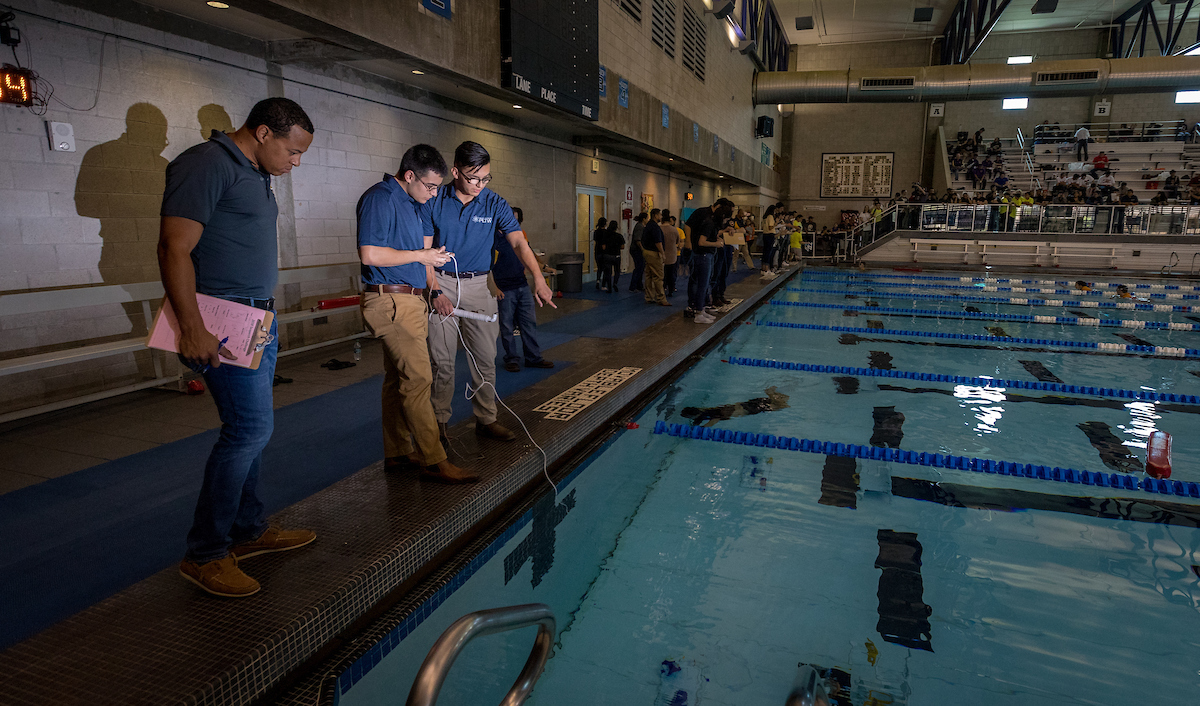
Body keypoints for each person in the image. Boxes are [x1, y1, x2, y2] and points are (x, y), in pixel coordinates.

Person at [159, 97, 316, 598]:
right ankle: (204, 553)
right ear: (264, 133)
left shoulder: (254, 172)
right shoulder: (205, 164)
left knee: (255, 430)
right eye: (292, 152)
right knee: (248, 428)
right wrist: (192, 325)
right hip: (220, 316)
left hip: (256, 316)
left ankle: (248, 532)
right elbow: (173, 248)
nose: (296, 163)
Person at [357, 143, 477, 486]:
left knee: (398, 381)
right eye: (430, 186)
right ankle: (434, 459)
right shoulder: (380, 198)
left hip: (408, 299)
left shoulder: (412, 203)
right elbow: (370, 254)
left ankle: (397, 452)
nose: (434, 192)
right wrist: (420, 256)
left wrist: (430, 262)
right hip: (392, 302)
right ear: (409, 175)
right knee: (420, 379)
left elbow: (410, 251)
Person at [422, 141, 555, 445]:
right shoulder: (434, 200)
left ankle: (486, 418)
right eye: (473, 178)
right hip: (441, 283)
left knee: (485, 357)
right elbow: (424, 251)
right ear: (455, 172)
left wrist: (538, 277)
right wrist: (434, 292)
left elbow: (519, 243)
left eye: (486, 178)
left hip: (480, 286)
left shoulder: (495, 203)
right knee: (441, 362)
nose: (480, 185)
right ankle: (439, 425)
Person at [495, 207, 556, 372]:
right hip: (504, 288)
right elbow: (486, 265)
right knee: (507, 326)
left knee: (528, 323)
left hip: (522, 285)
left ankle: (533, 357)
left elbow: (528, 255)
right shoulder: (493, 238)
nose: (513, 222)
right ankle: (511, 359)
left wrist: (542, 269)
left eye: (516, 220)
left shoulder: (519, 236)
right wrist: (494, 287)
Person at [684, 198, 733, 324]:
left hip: (706, 255)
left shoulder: (712, 222)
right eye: (726, 218)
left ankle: (702, 308)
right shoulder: (706, 218)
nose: (726, 221)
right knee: (701, 283)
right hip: (702, 254)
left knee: (705, 283)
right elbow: (701, 240)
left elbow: (710, 234)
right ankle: (697, 309)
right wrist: (715, 243)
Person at [641, 208, 669, 305]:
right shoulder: (655, 227)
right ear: (655, 215)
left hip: (647, 252)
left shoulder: (648, 226)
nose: (661, 217)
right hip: (654, 253)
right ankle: (661, 298)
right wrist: (663, 253)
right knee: (658, 276)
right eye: (660, 215)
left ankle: (649, 297)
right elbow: (658, 242)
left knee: (648, 275)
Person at [601, 219, 624, 292]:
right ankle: (615, 283)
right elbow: (622, 247)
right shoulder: (619, 236)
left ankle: (609, 287)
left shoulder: (605, 236)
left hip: (607, 255)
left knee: (608, 272)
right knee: (617, 271)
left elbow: (603, 247)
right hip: (616, 255)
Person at [628, 212, 647, 292]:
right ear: (644, 219)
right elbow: (637, 240)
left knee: (640, 267)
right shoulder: (640, 227)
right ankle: (633, 286)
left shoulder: (640, 226)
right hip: (636, 250)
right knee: (639, 267)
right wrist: (643, 249)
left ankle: (639, 285)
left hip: (635, 250)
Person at [663, 213, 680, 297]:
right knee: (671, 273)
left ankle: (661, 289)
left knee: (662, 274)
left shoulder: (659, 229)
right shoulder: (674, 230)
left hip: (661, 254)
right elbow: (678, 241)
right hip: (672, 255)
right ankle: (671, 290)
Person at [760, 204, 777, 276]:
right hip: (770, 235)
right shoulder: (770, 216)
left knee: (765, 252)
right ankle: (767, 269)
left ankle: (763, 269)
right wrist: (776, 223)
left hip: (765, 234)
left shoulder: (764, 217)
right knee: (768, 252)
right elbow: (771, 227)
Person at [592, 216, 607, 291]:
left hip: (597, 251)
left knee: (599, 268)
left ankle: (598, 281)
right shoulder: (605, 232)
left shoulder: (596, 232)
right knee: (605, 268)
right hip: (603, 252)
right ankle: (603, 285)